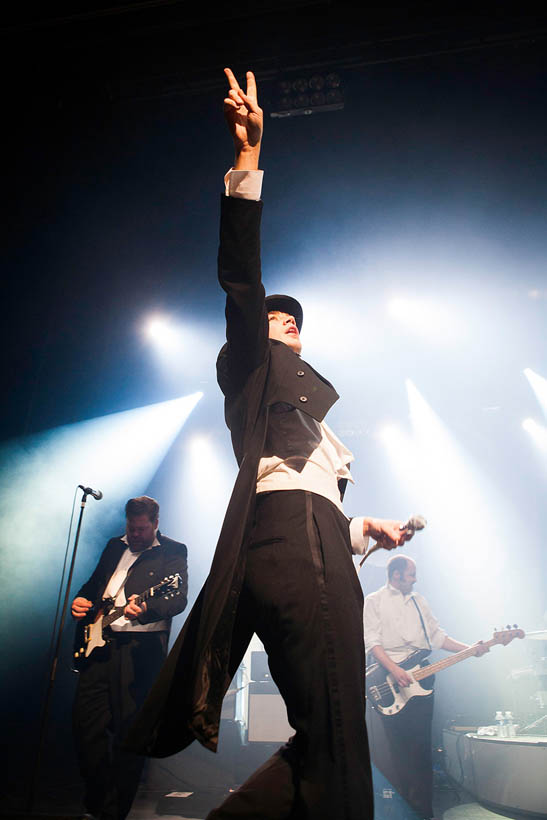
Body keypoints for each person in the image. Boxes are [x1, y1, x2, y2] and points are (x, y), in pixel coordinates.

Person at [126, 68, 413, 820]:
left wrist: (357, 530)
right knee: (340, 741)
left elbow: (301, 497)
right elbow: (242, 283)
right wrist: (247, 162)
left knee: (327, 738)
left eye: (295, 321)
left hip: (293, 536)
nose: (287, 323)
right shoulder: (252, 361)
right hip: (289, 536)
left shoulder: (308, 416)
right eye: (278, 319)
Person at [71, 495, 188, 820]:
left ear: (155, 524)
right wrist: (81, 600)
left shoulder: (172, 552)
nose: (135, 534)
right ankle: (98, 801)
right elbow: (94, 585)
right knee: (85, 728)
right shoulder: (113, 546)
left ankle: (111, 812)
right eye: (131, 528)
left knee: (128, 735)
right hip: (99, 647)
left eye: (141, 529)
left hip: (139, 653)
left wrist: (147, 608)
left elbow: (178, 599)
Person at [364, 555, 489, 819]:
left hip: (421, 679)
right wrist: (395, 669)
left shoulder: (419, 602)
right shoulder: (374, 601)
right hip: (389, 680)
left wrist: (469, 649)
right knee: (398, 752)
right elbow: (372, 643)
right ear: (396, 575)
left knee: (421, 750)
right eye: (411, 574)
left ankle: (423, 812)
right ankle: (402, 810)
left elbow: (437, 637)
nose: (415, 579)